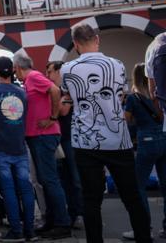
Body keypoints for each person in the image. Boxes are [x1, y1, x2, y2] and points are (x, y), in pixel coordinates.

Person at [61, 24, 151, 243]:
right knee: (132, 197)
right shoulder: (117, 65)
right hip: (117, 140)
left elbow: (69, 96)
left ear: (75, 44)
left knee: (91, 199)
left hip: (85, 141)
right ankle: (143, 238)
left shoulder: (67, 69)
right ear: (97, 39)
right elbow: (118, 95)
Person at [14, 52, 72, 239]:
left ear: (17, 67)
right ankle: (52, 220)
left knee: (50, 179)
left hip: (44, 135)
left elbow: (55, 90)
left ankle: (62, 224)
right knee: (45, 180)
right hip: (37, 136)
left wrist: (52, 118)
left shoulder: (34, 76)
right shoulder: (30, 80)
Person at [0, 56, 38, 242]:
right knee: (26, 188)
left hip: (0, 147)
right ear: (12, 70)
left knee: (9, 189)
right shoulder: (22, 92)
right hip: (20, 146)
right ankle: (30, 231)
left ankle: (16, 231)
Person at [123, 63, 166, 240]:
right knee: (165, 184)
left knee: (138, 186)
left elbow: (125, 121)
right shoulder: (160, 95)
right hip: (164, 137)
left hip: (146, 142)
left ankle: (144, 228)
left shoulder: (134, 98)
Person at [44, 60, 83, 229]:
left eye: (50, 71)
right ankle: (72, 211)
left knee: (75, 178)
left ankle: (80, 213)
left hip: (70, 139)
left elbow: (63, 110)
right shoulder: (61, 92)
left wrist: (54, 105)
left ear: (59, 71)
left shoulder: (67, 90)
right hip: (61, 139)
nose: (48, 75)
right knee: (65, 178)